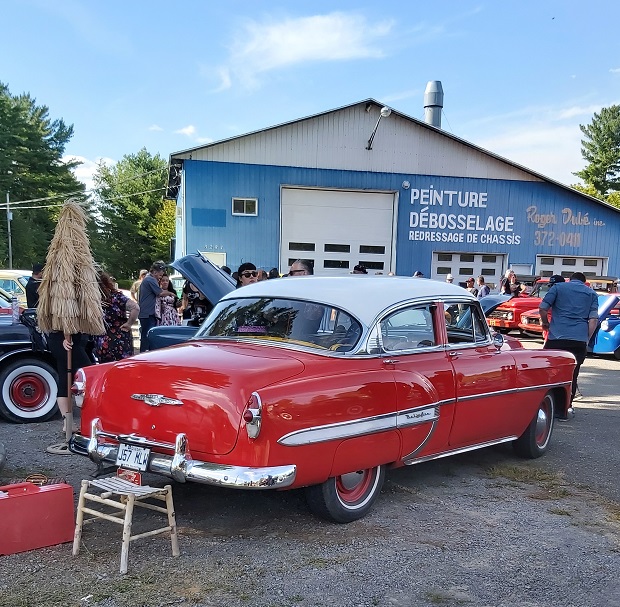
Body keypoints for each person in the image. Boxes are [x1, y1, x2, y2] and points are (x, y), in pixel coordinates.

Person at [539, 272, 598, 413]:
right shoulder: (591, 294)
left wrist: (546, 323)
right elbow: (593, 320)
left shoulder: (558, 288)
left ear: (570, 280)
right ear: (584, 282)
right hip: (578, 340)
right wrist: (586, 338)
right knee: (573, 373)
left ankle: (545, 407)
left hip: (556, 339)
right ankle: (565, 408)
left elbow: (542, 308)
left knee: (548, 372)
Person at [95, 272, 139, 362]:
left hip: (103, 341)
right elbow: (136, 308)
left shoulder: (94, 300)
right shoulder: (117, 297)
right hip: (121, 338)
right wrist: (129, 324)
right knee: (123, 370)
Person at [138, 261, 168, 352]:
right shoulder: (150, 280)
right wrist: (171, 293)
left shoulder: (148, 279)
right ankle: (144, 354)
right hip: (148, 314)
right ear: (154, 272)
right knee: (147, 336)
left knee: (146, 335)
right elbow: (160, 293)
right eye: (160, 273)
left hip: (147, 313)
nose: (161, 275)